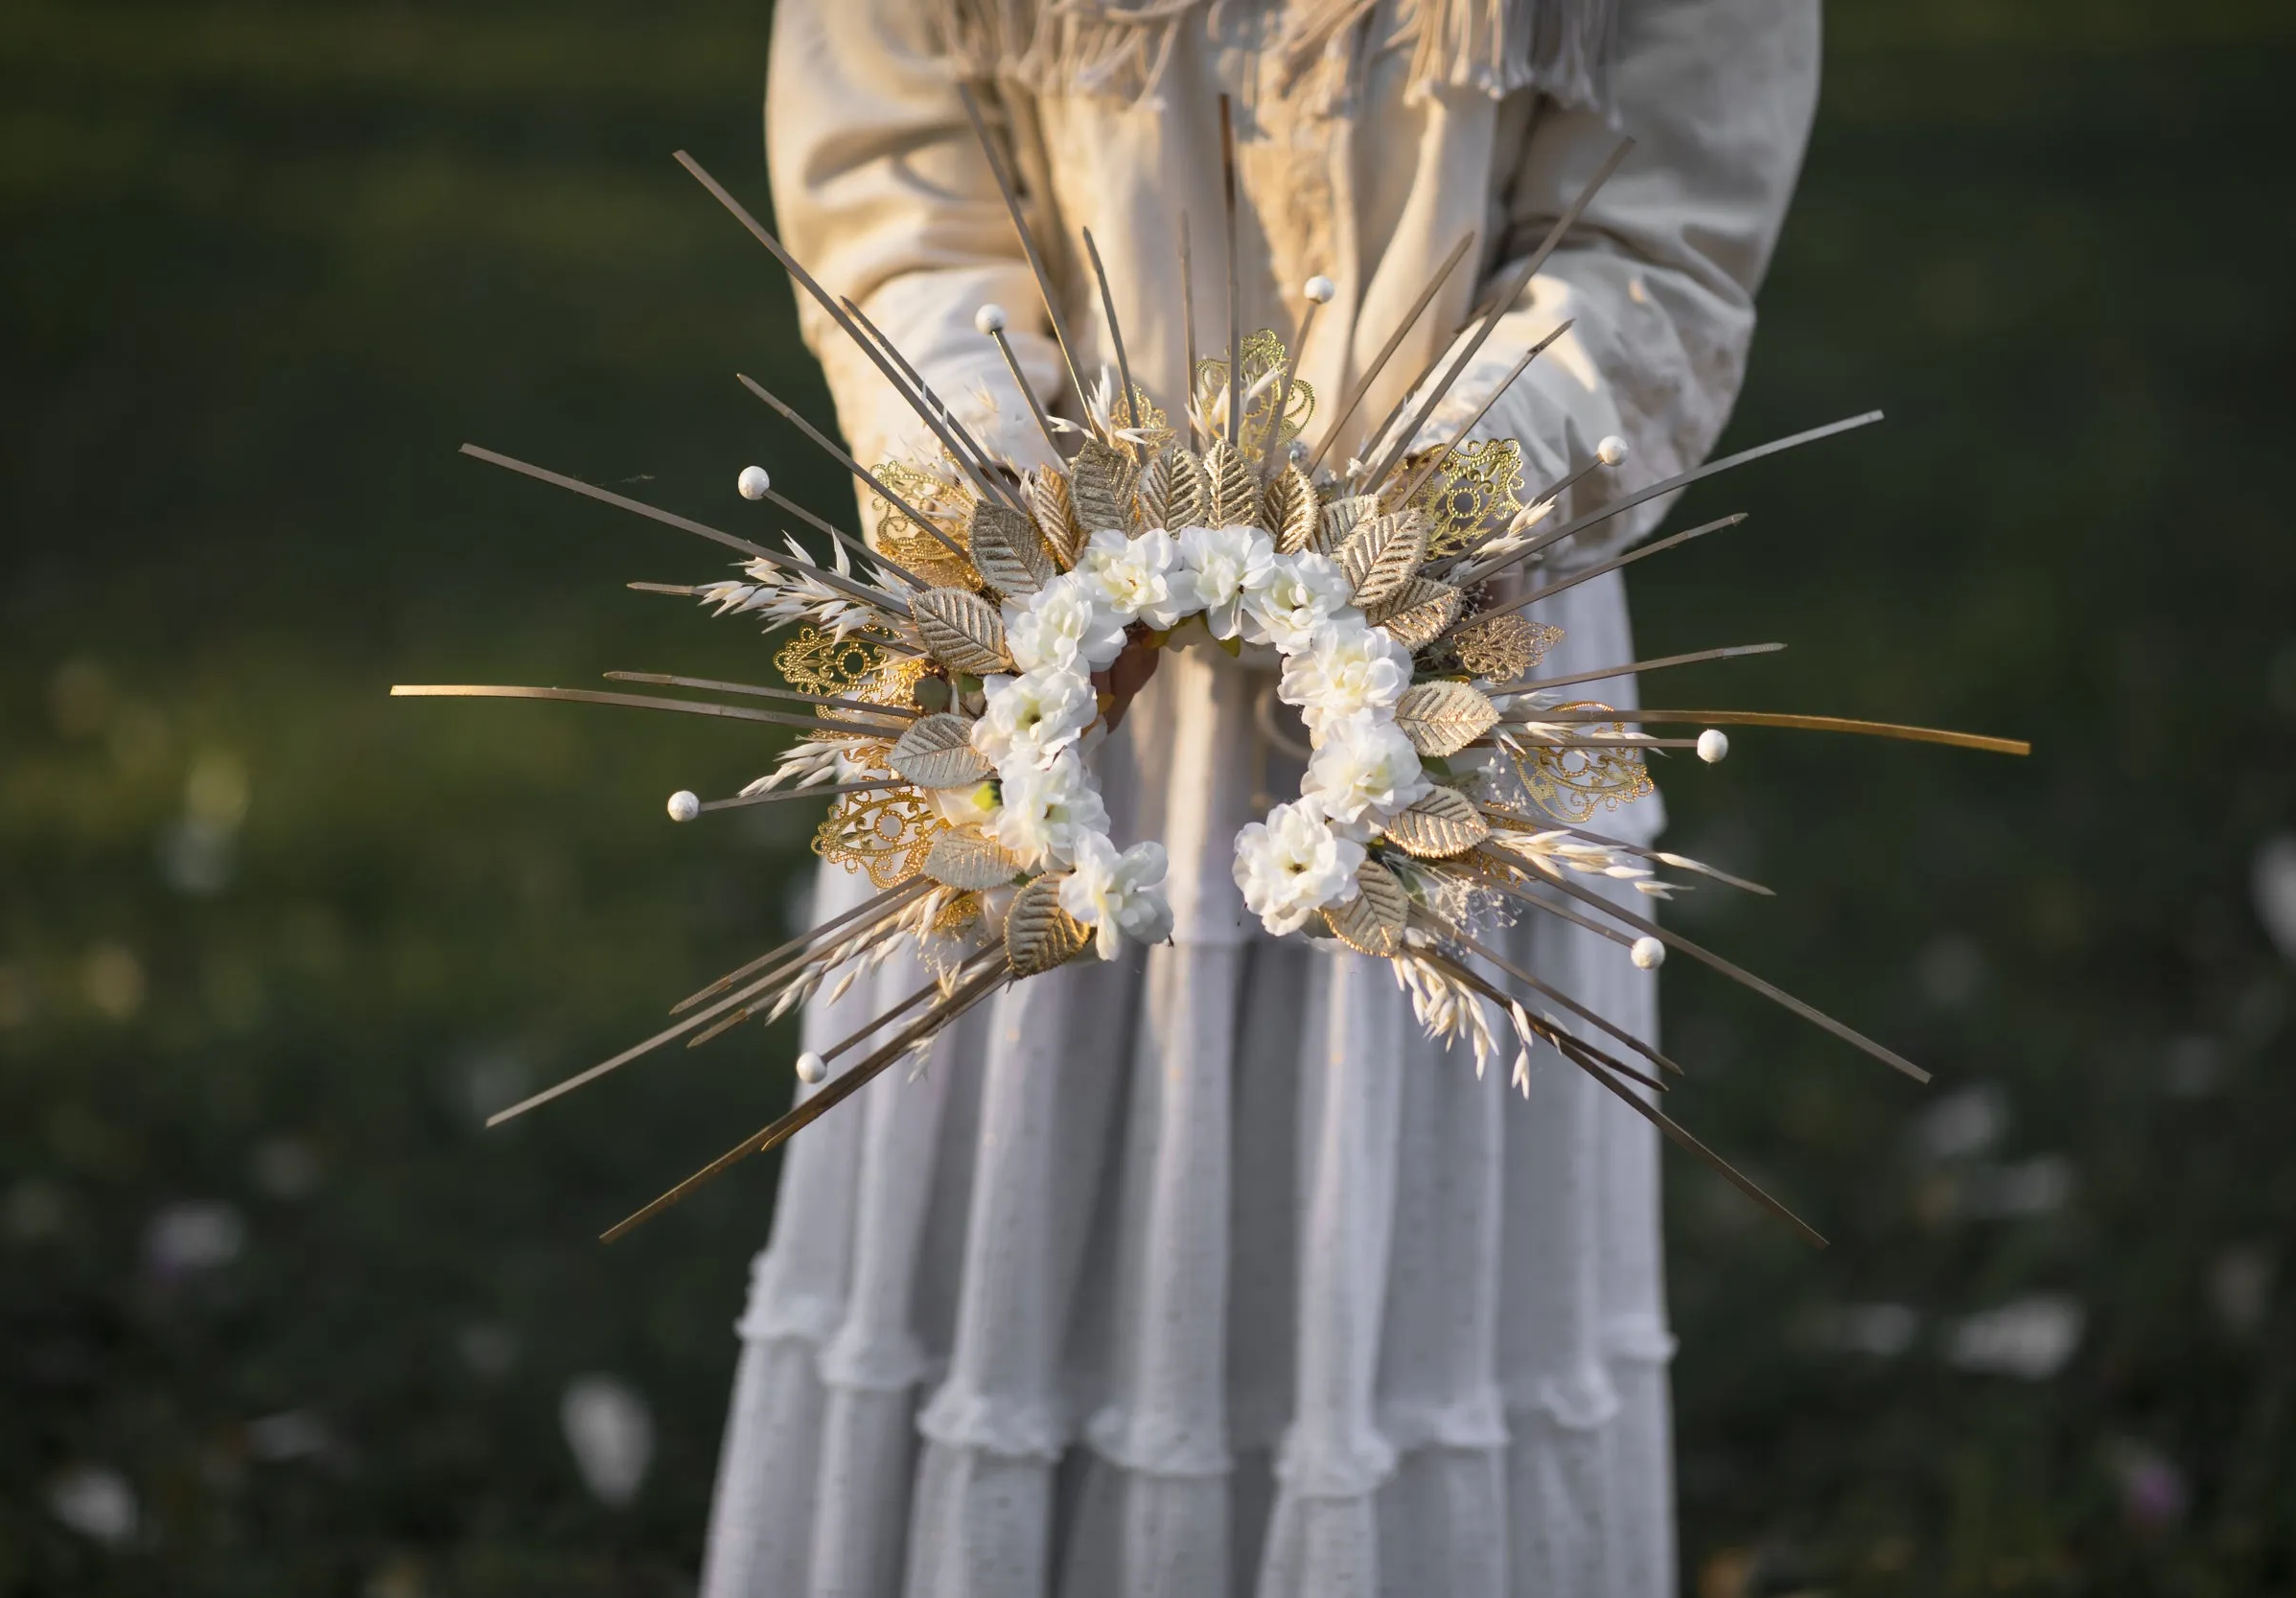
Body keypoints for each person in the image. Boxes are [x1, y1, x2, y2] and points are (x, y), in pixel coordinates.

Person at [702, 1, 1816, 1592]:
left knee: (1396, 1293)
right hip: (1055, 665)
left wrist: (1426, 515)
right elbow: (891, 157)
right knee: (1023, 1245)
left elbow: (1666, 217)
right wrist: (1009, 507)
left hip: (1456, 661)